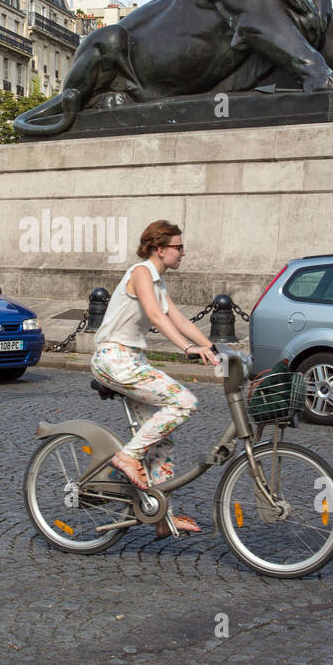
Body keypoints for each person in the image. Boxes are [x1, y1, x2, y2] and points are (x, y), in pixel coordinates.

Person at [90, 220, 220, 536]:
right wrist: (187, 348)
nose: (183, 252)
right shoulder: (141, 273)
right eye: (178, 247)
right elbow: (157, 315)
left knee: (161, 440)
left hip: (132, 360)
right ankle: (127, 457)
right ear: (159, 248)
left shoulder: (159, 282)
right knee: (184, 401)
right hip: (114, 358)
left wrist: (213, 347)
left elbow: (178, 318)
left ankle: (163, 517)